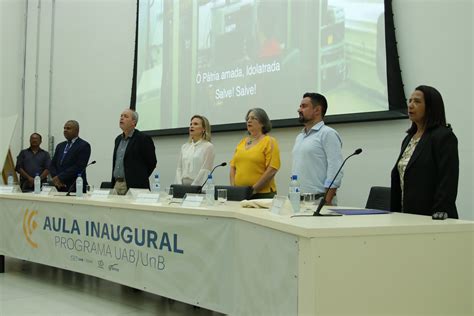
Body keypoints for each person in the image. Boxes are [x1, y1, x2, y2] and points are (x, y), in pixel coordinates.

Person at [391, 85, 459, 218]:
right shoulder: (408, 139)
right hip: (406, 215)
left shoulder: (443, 136)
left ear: (430, 107)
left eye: (417, 101)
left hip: (434, 216)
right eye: (410, 101)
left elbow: (448, 177)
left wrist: (441, 209)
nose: (410, 105)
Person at [291, 92, 343, 205]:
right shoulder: (300, 137)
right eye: (300, 106)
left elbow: (336, 169)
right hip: (297, 201)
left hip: (318, 202)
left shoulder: (328, 134)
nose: (299, 110)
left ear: (317, 110)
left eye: (304, 106)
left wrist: (327, 200)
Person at [230, 108, 280, 199]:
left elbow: (272, 169)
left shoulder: (269, 141)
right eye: (248, 118)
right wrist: (234, 188)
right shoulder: (242, 142)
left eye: (253, 118)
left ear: (262, 123)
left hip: (262, 195)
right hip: (240, 194)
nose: (249, 120)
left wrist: (253, 190)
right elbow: (233, 167)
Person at [112, 109, 157, 195]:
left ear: (133, 122)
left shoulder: (143, 139)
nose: (121, 118)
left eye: (125, 116)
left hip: (134, 186)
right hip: (117, 184)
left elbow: (152, 162)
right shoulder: (118, 139)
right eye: (121, 116)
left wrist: (139, 177)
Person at [50, 120, 91, 192]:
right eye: (64, 128)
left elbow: (79, 166)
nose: (65, 130)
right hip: (59, 186)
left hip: (75, 186)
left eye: (68, 128)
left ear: (77, 130)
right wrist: (55, 178)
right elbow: (53, 164)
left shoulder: (84, 145)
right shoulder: (60, 146)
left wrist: (60, 178)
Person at [175, 115, 215, 186]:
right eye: (191, 124)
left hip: (198, 187)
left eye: (195, 124)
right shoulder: (184, 147)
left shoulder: (208, 146)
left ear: (203, 129)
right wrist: (179, 186)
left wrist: (194, 187)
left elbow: (205, 170)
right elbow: (179, 168)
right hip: (182, 186)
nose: (191, 126)